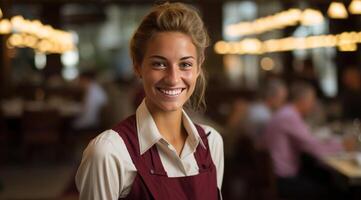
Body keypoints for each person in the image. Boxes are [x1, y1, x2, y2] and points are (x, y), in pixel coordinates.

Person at [75, 2, 224, 200]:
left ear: (198, 67)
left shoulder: (212, 142)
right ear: (137, 66)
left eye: (185, 64)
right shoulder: (108, 152)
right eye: (159, 64)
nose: (173, 78)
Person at [262, 82, 344, 199]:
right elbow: (314, 148)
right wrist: (342, 145)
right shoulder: (289, 116)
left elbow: (309, 142)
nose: (313, 105)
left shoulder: (285, 112)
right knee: (335, 190)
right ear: (303, 101)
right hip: (285, 179)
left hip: (279, 175)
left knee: (324, 175)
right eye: (312, 100)